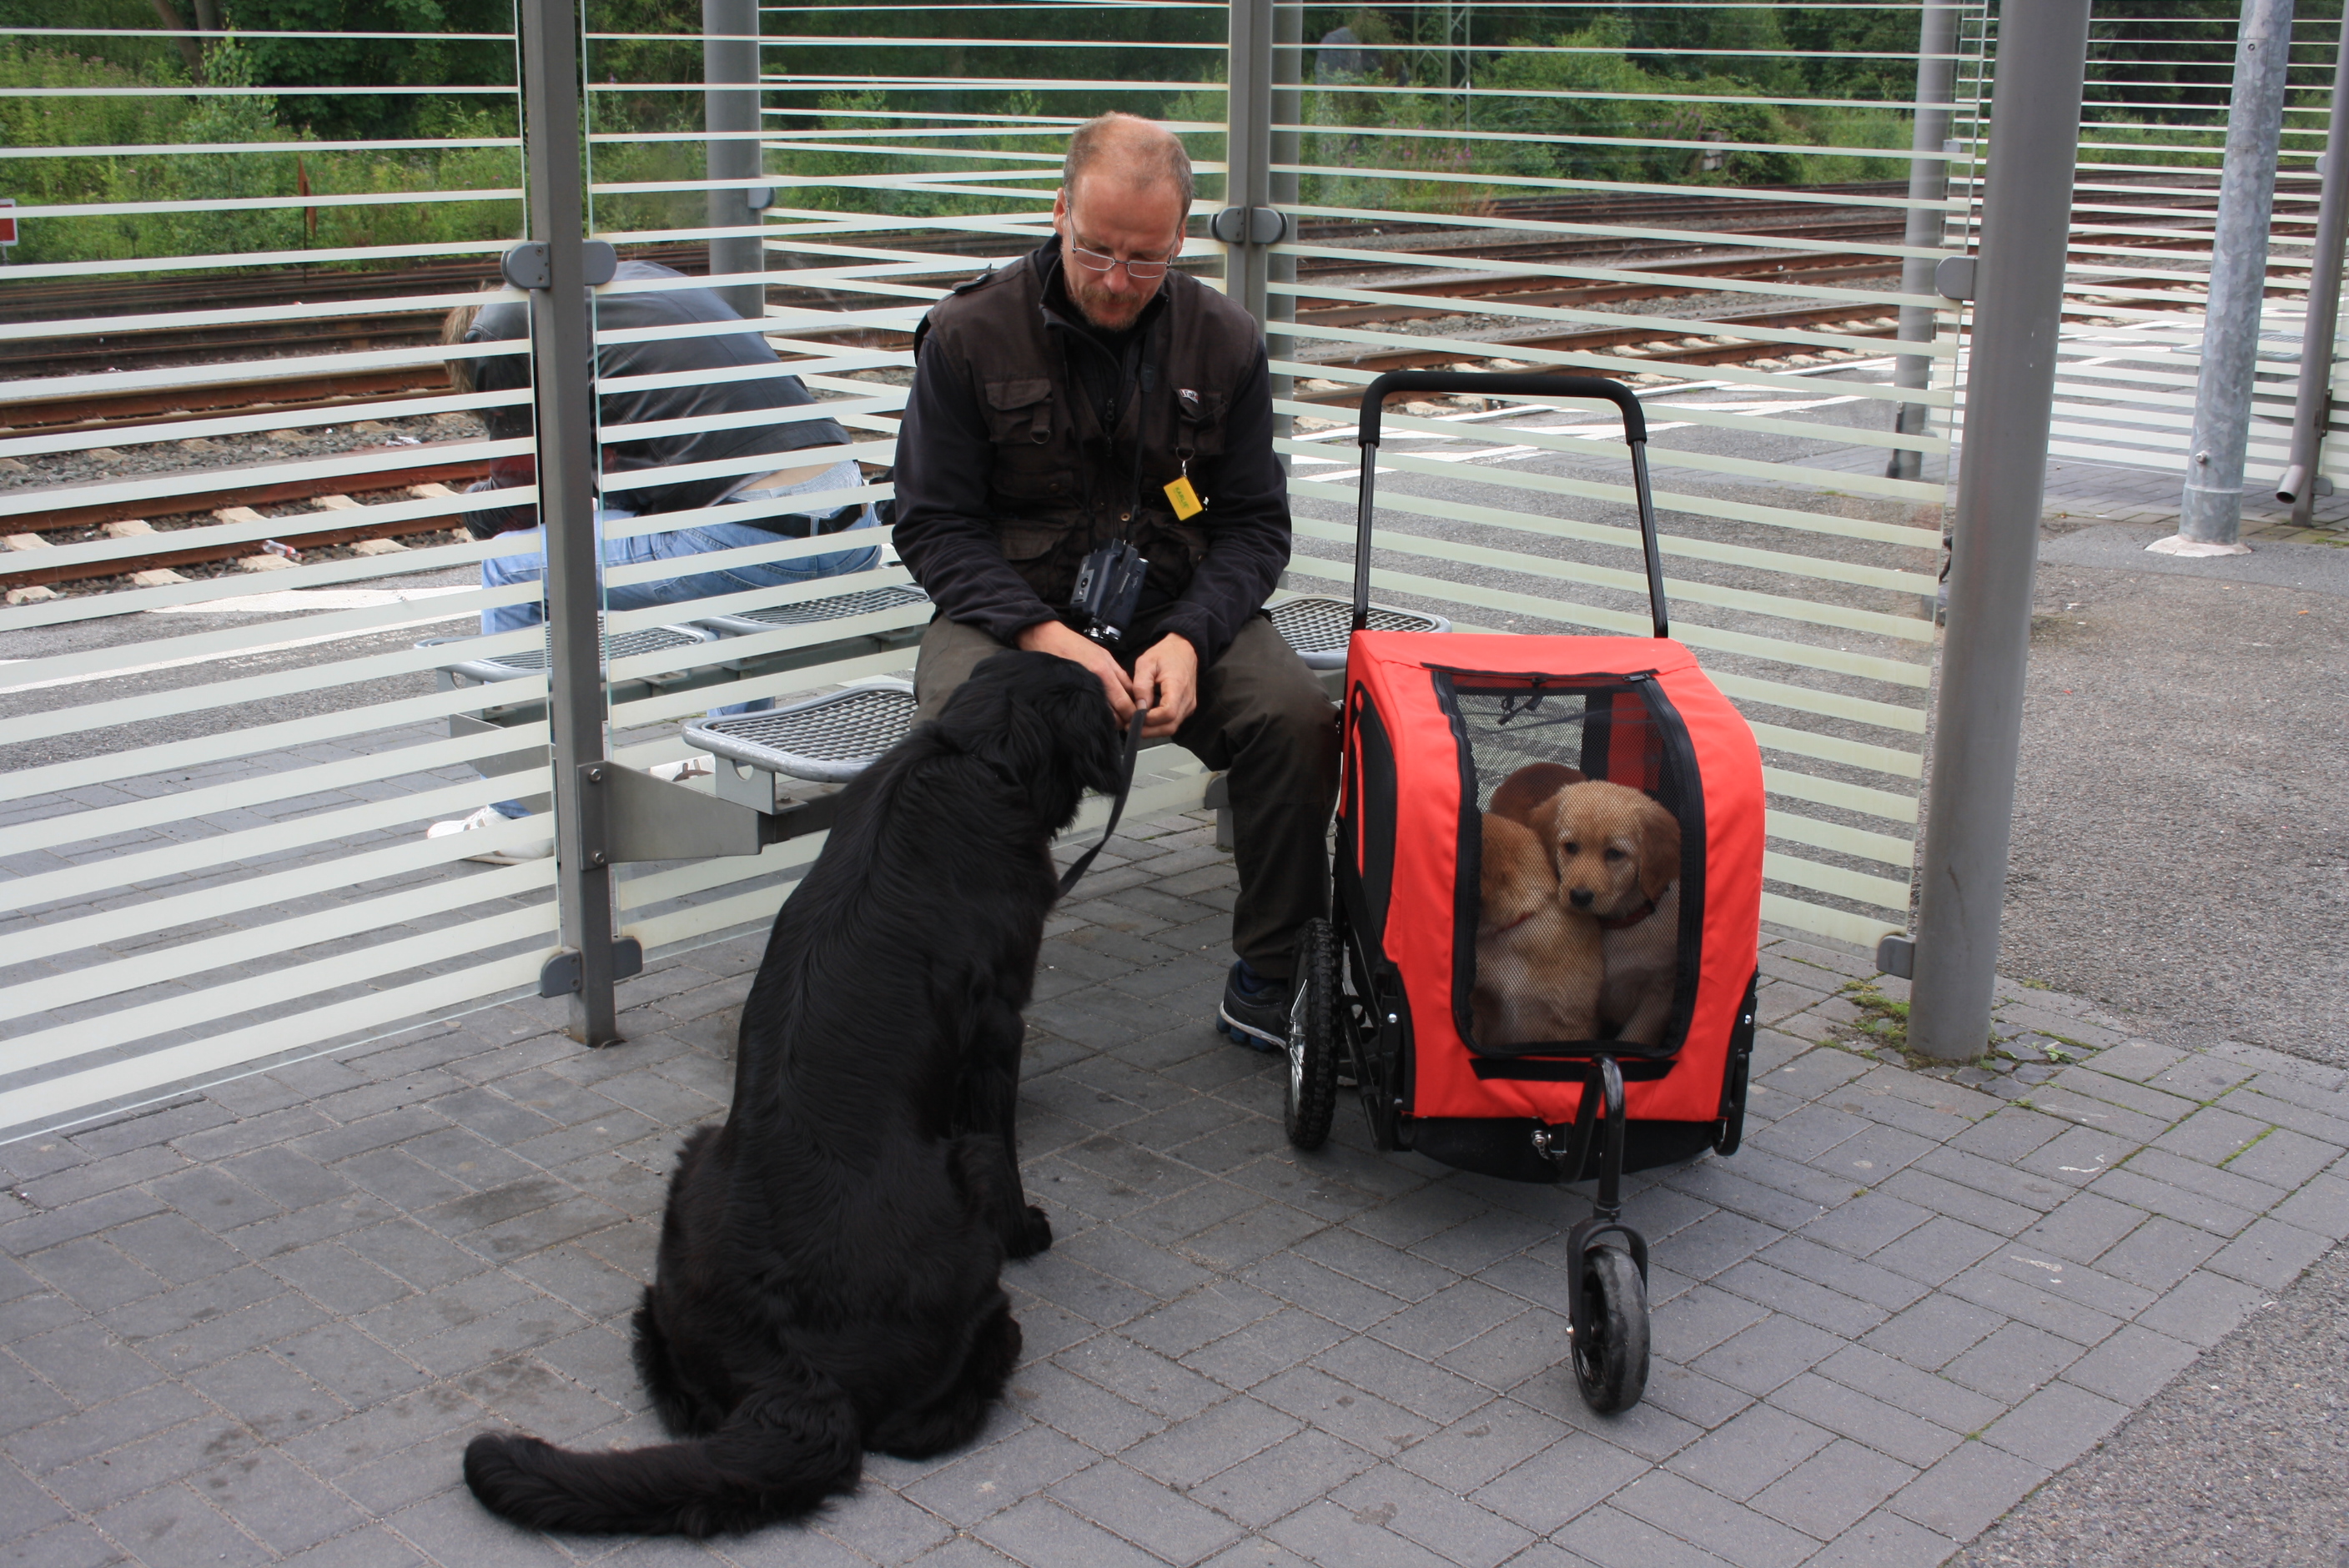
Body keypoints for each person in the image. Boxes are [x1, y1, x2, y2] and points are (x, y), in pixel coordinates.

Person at [892, 112, 1339, 1050]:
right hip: (1012, 615)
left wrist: (1190, 638)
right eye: (1096, 249)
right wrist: (1041, 636)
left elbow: (1254, 527)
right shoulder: (967, 334)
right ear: (1059, 211)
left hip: (1175, 607)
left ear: (1180, 241)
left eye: (1145, 259)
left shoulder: (1225, 340)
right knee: (960, 735)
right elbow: (934, 524)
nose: (1115, 280)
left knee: (1293, 716)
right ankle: (964, 1005)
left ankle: (1271, 977)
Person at [426, 259, 883, 862]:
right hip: (849, 529)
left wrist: (476, 509)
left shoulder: (501, 330)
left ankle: (522, 816)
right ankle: (730, 759)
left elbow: (523, 491)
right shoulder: (638, 285)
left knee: (511, 565)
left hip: (751, 545)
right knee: (684, 536)